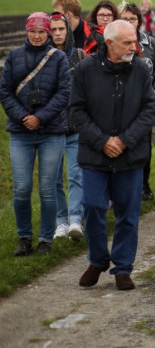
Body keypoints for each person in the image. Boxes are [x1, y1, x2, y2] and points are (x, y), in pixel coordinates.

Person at [72, 20, 155, 290]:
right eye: (127, 42)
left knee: (128, 213)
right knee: (93, 206)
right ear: (109, 43)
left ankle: (122, 267)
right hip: (95, 155)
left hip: (129, 155)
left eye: (134, 41)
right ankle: (98, 259)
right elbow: (76, 111)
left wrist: (124, 140)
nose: (134, 47)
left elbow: (149, 109)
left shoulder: (141, 70)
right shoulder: (85, 69)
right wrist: (102, 141)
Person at [0, 13, 71, 256]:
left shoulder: (59, 58)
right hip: (21, 132)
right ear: (26, 31)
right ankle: (24, 237)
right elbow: (5, 91)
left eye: (42, 32)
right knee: (21, 188)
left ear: (48, 33)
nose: (37, 36)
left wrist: (40, 117)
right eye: (33, 31)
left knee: (48, 188)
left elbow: (64, 93)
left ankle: (45, 239)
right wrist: (23, 117)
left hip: (51, 131)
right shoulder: (14, 56)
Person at [119, 2, 155, 201]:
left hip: (143, 105)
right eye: (125, 19)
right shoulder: (113, 44)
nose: (129, 22)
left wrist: (151, 91)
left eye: (132, 19)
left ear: (138, 21)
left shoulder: (150, 42)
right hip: (121, 103)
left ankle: (144, 185)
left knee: (144, 146)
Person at [49, 12, 88, 241]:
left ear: (68, 30)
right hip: (50, 128)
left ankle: (75, 219)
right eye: (53, 30)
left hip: (75, 127)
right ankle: (60, 222)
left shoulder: (80, 57)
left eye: (61, 29)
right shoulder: (43, 58)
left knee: (75, 175)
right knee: (53, 179)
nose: (57, 34)